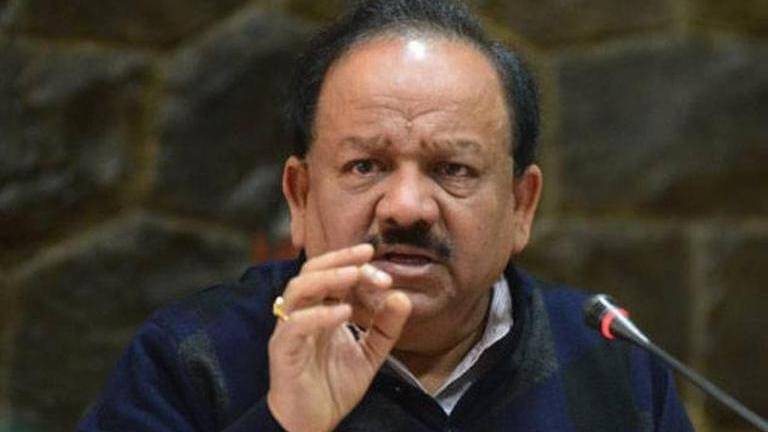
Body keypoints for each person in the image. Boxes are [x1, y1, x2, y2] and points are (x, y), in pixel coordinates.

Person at [78, 0, 693, 430]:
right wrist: (284, 424)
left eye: (453, 169)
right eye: (366, 166)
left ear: (521, 206)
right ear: (300, 197)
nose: (406, 208)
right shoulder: (191, 359)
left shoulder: (615, 365)